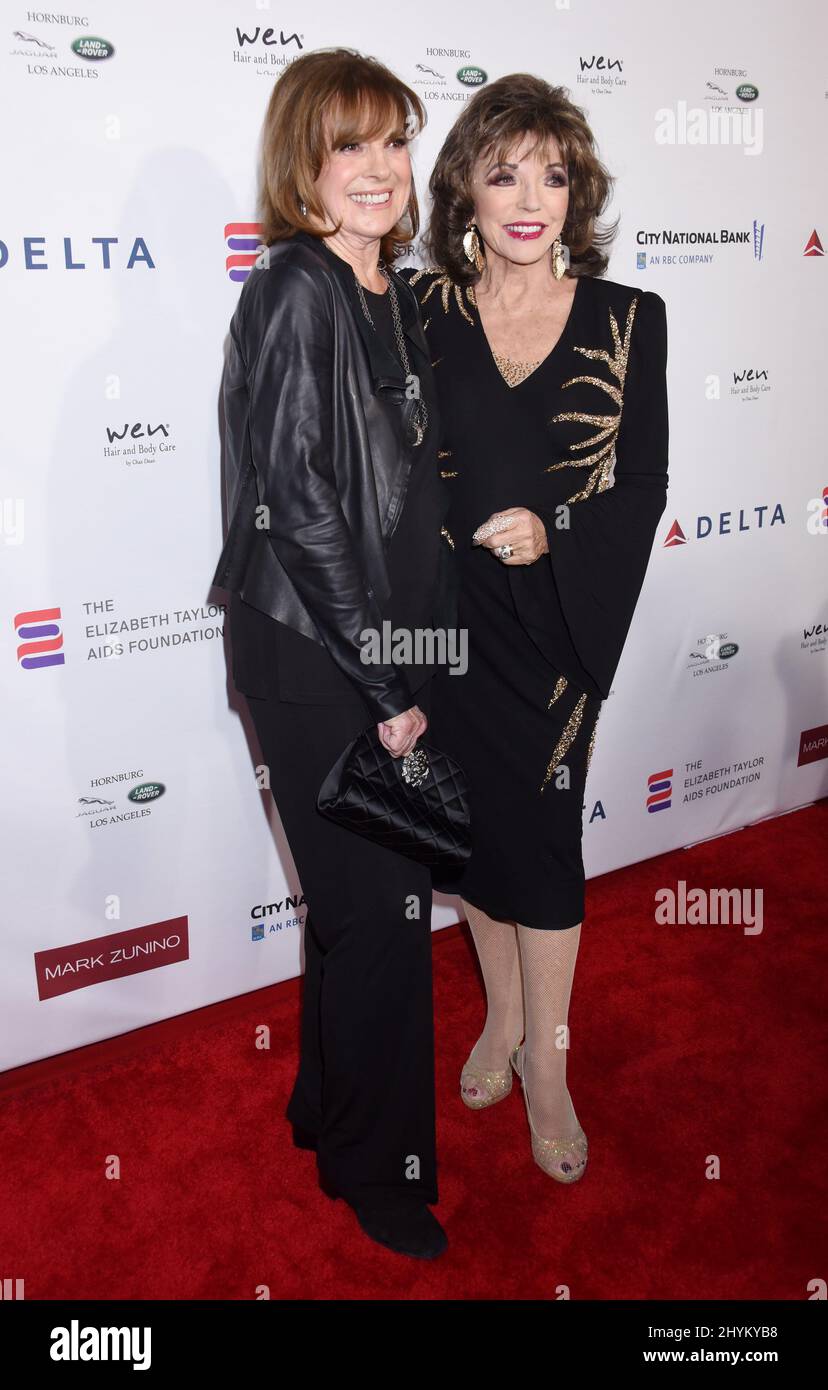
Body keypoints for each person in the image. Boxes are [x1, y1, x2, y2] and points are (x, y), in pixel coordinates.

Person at [399, 73, 669, 1183]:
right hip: (447, 627)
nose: (529, 196)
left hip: (555, 635)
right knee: (471, 843)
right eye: (502, 169)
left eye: (552, 174)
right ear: (463, 183)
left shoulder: (627, 318)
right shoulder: (422, 309)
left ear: (578, 191)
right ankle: (501, 1018)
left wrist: (555, 531)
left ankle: (548, 1067)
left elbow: (641, 484)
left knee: (546, 853)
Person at [212, 48, 453, 1257]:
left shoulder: (387, 291)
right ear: (302, 161)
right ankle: (383, 1169)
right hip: (320, 655)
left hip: (364, 639)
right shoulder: (299, 285)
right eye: (349, 143)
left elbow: (395, 496)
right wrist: (389, 686)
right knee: (382, 908)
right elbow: (300, 503)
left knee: (356, 907)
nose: (379, 169)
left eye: (395, 141)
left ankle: (324, 1109)